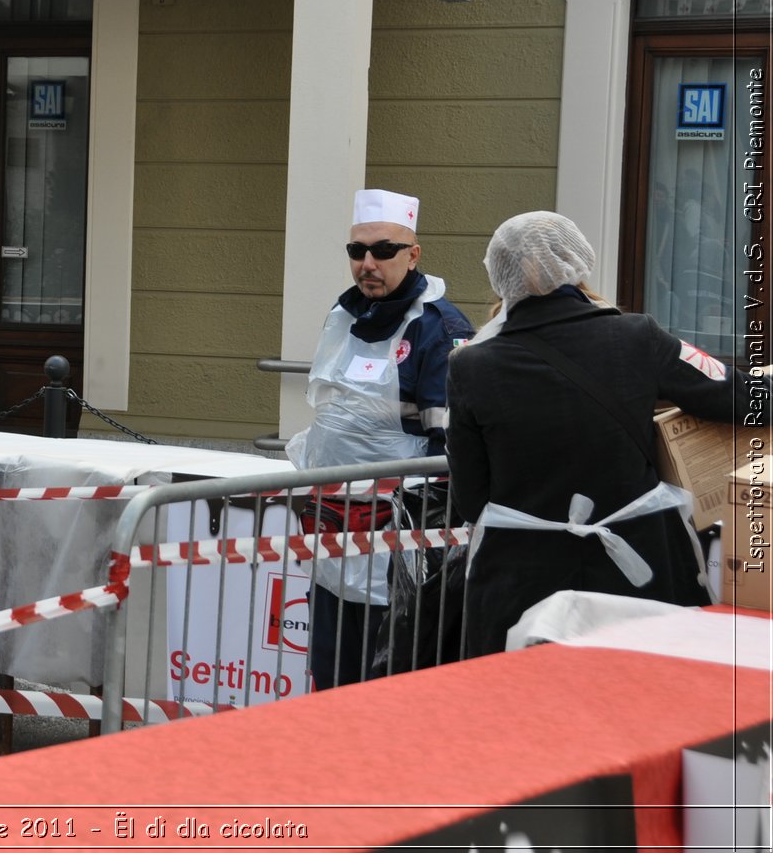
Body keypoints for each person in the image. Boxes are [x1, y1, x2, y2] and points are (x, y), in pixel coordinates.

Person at [446, 211, 766, 657]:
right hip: (638, 575)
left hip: (522, 581)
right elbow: (739, 395)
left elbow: (470, 497)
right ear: (576, 262)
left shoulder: (470, 366)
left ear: (501, 278)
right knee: (638, 706)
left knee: (527, 714)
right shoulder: (636, 337)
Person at [286, 188, 473, 690]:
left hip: (397, 552)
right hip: (331, 536)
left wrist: (422, 543)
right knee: (329, 680)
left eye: (383, 250)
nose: (368, 263)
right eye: (357, 251)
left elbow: (452, 449)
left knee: (382, 689)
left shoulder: (440, 329)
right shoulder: (344, 315)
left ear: (413, 255)